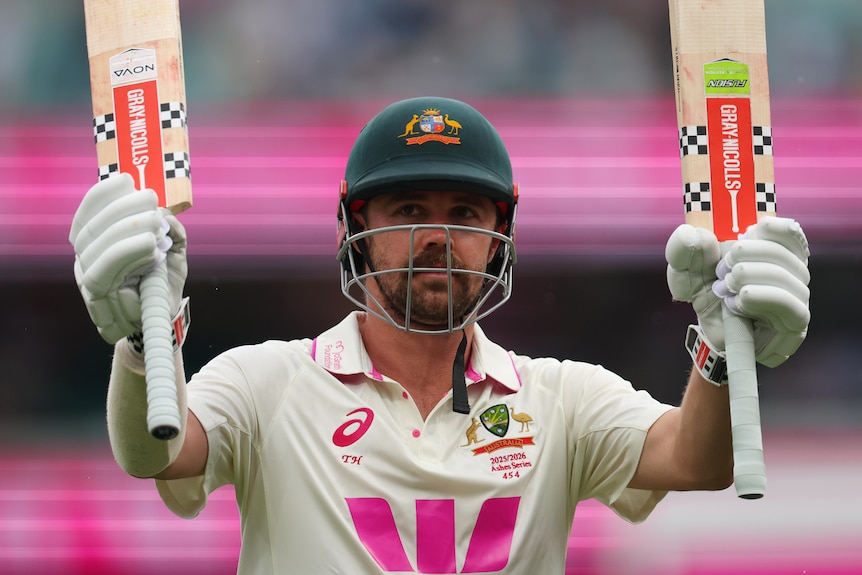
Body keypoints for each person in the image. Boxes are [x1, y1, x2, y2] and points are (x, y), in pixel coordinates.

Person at [69, 97, 811, 574]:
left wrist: (719, 352)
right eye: (407, 208)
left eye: (465, 212)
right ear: (355, 226)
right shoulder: (267, 384)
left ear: (500, 236)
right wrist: (144, 337)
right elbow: (155, 452)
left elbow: (699, 460)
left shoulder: (561, 398)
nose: (436, 235)